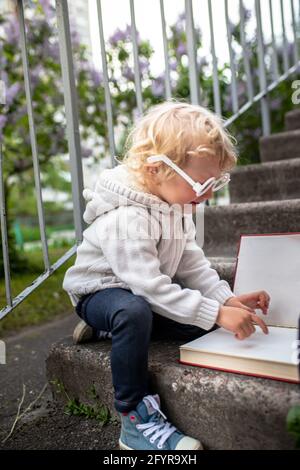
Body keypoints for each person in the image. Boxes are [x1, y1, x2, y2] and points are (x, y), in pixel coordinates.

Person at [63, 100, 270, 451]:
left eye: (215, 184)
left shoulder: (175, 206)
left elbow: (192, 264)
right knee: (132, 312)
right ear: (157, 169)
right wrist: (219, 313)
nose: (207, 195)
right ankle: (134, 419)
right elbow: (150, 287)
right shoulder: (126, 219)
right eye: (201, 183)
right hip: (100, 292)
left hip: (140, 290)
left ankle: (111, 329)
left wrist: (226, 300)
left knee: (200, 323)